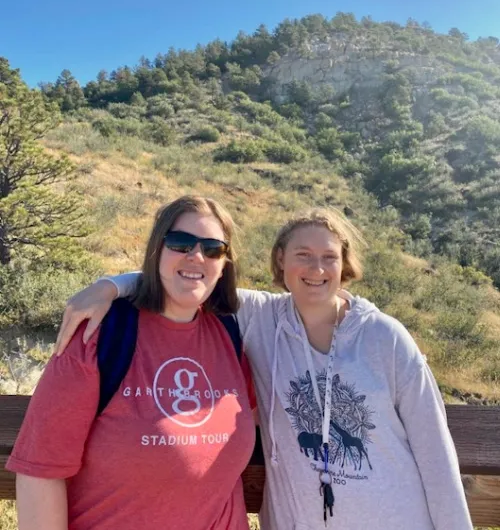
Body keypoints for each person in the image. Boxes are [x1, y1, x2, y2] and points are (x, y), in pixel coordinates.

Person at [54, 207, 473, 530]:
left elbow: (436, 453)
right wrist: (109, 286)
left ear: (344, 264)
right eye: (303, 255)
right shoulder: (260, 318)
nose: (316, 269)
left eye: (329, 257)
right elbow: (191, 276)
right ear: (281, 260)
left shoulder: (386, 337)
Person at [7, 195, 256, 530]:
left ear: (224, 262)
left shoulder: (231, 333)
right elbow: (39, 471)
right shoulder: (100, 334)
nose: (196, 255)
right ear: (157, 249)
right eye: (180, 243)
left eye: (212, 248)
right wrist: (108, 286)